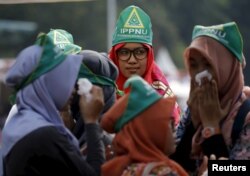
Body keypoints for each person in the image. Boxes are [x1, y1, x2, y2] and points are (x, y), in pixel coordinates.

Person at [0, 34, 105, 176]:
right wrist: (92, 122)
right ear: (47, 85)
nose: (72, 89)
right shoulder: (45, 134)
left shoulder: (20, 123)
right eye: (64, 80)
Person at [170, 21, 250, 173]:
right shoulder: (191, 110)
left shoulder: (245, 117)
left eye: (208, 64)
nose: (200, 74)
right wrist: (193, 123)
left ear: (227, 67)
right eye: (193, 65)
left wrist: (211, 127)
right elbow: (174, 168)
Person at [100, 75, 188, 176]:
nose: (174, 129)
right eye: (169, 122)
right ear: (148, 130)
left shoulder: (119, 168)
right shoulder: (161, 172)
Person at [108, 5, 180, 125]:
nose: (132, 60)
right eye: (124, 52)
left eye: (139, 52)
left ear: (149, 55)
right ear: (115, 55)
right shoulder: (102, 86)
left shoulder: (161, 95)